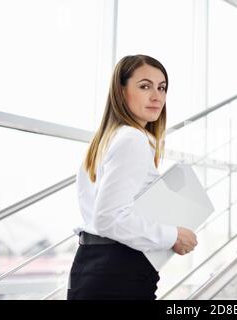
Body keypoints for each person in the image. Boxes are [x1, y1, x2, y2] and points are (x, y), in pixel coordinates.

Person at [67, 54, 198, 300]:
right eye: (144, 86)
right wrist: (173, 235)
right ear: (121, 90)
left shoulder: (107, 139)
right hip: (118, 272)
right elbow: (108, 218)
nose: (157, 96)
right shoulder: (132, 139)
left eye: (162, 88)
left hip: (94, 268)